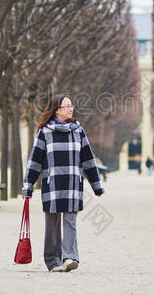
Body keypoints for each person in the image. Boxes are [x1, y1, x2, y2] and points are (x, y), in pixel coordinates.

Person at [22, 95, 105, 273]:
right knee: (52, 224)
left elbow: (88, 159)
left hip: (73, 185)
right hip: (52, 186)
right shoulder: (44, 132)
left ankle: (69, 257)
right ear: (57, 109)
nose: (71, 108)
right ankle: (53, 261)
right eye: (66, 106)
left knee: (70, 221)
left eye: (71, 105)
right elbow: (34, 161)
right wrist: (27, 187)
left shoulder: (78, 131)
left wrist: (96, 186)